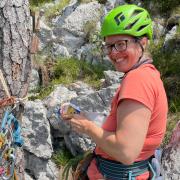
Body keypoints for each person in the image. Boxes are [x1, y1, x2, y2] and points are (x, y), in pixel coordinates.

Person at [61, 4, 168, 180]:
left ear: (142, 42)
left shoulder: (138, 80)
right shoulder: (148, 74)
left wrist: (88, 127)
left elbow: (126, 152)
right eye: (109, 46)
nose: (113, 53)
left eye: (120, 44)